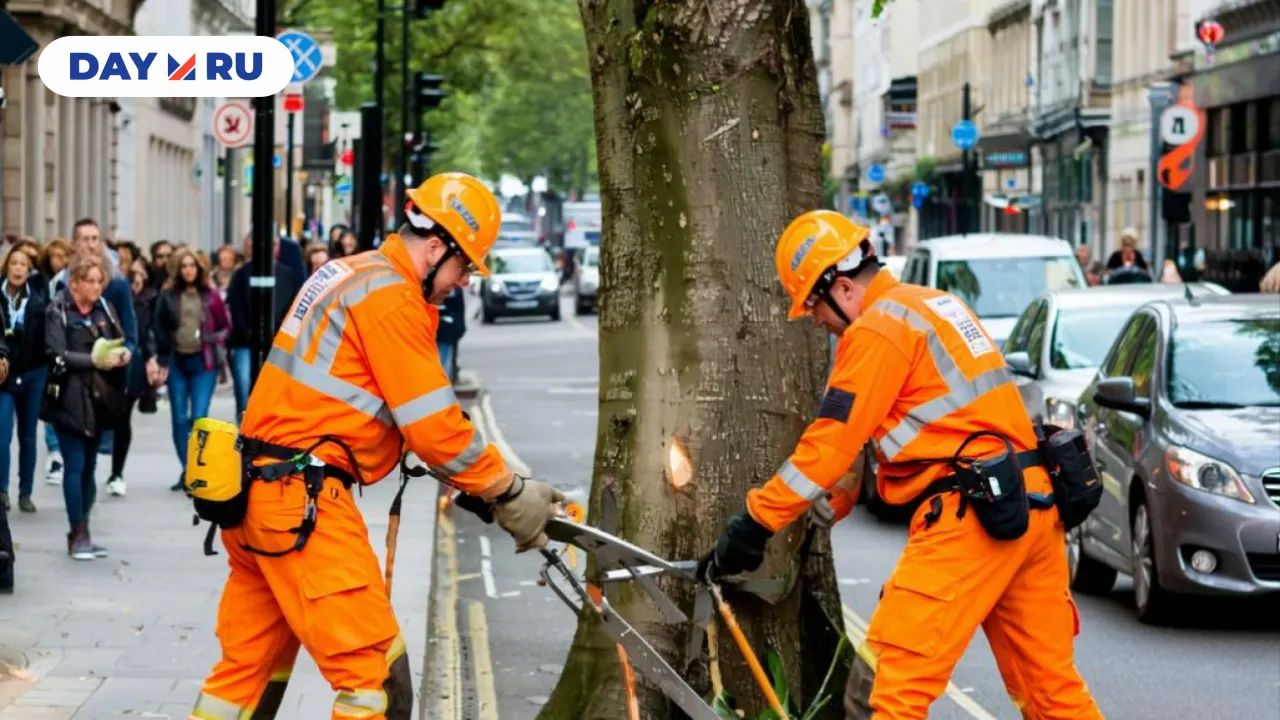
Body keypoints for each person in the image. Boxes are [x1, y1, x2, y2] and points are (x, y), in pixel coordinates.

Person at [699, 210, 1102, 720]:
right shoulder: (937, 306)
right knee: (1050, 690)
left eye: (815, 308)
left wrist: (755, 523)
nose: (818, 322)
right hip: (1034, 506)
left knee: (894, 692)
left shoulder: (875, 331)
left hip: (969, 519)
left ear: (842, 288)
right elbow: (897, 429)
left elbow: (832, 442)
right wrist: (834, 503)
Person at [190, 173, 565, 718]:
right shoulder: (391, 297)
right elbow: (434, 427)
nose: (462, 281)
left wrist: (468, 482)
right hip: (304, 506)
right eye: (465, 266)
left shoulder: (347, 272)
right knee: (376, 684)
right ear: (436, 246)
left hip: (255, 496)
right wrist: (506, 489)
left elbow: (365, 401)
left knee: (242, 681)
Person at [42, 252, 130, 561]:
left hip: (99, 399)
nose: (96, 287)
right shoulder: (58, 310)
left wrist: (123, 354)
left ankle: (83, 530)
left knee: (90, 468)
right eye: (90, 281)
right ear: (75, 283)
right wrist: (91, 360)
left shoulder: (105, 308)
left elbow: (122, 338)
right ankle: (78, 531)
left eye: (99, 281)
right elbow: (54, 354)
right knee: (75, 466)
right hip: (68, 398)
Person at [155, 247, 230, 491]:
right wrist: (161, 359)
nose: (188, 270)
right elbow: (159, 328)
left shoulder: (210, 295)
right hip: (177, 361)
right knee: (178, 418)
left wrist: (212, 339)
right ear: (178, 269)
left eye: (192, 265)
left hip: (203, 363)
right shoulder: (168, 295)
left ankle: (198, 471)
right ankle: (188, 469)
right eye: (184, 265)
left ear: (199, 268)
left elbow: (225, 326)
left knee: (198, 417)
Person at [225, 233, 303, 418]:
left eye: (274, 244)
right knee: (244, 384)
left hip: (279, 342)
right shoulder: (241, 274)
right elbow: (235, 307)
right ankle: (244, 425)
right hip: (245, 342)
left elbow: (295, 307)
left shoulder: (289, 275)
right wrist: (247, 332)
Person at [0, 244, 48, 513]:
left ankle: (26, 492)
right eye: (14, 263)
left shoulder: (39, 295)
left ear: (29, 270)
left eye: (23, 264)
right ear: (7, 266)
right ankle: (2, 490)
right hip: (4, 374)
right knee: (2, 435)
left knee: (28, 436)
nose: (18, 268)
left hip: (34, 372)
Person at [107, 261, 162, 496]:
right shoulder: (119, 294)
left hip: (135, 362)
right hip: (111, 356)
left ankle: (116, 472)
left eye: (142, 273)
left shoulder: (151, 298)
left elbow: (150, 331)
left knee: (123, 417)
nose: (137, 278)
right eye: (133, 274)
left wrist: (152, 359)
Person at [436, 287, 466, 383]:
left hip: (447, 331)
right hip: (443, 331)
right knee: (443, 363)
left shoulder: (455, 288)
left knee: (444, 362)